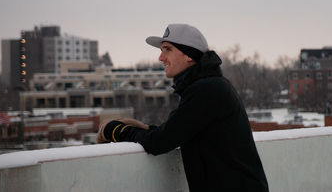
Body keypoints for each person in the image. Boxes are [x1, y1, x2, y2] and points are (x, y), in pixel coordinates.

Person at [97, 24, 269, 192]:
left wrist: (117, 131)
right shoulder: (209, 85)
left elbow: (159, 142)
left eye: (167, 49)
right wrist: (148, 130)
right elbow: (178, 131)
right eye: (161, 50)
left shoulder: (206, 89)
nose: (161, 58)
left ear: (189, 55)